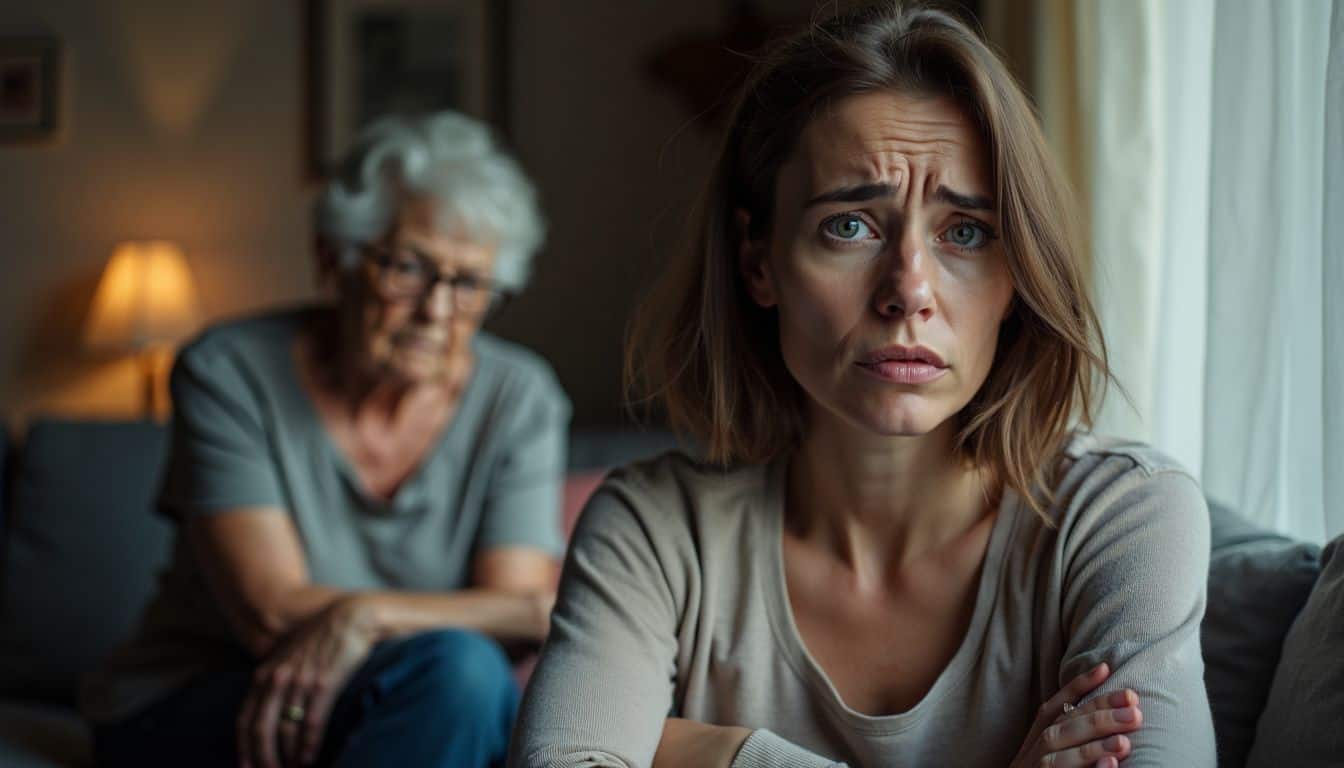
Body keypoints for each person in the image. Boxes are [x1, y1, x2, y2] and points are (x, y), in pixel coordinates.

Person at [509, 3, 1213, 767]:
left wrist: (706, 753)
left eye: (966, 233)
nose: (908, 290)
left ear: (1018, 276)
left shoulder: (1124, 515)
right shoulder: (653, 528)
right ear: (759, 263)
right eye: (850, 226)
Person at [80, 111, 569, 768]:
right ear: (332, 259)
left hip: (419, 699)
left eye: (468, 282)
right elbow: (270, 613)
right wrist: (400, 619)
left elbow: (524, 613)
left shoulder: (520, 399)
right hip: (207, 696)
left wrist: (366, 617)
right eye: (407, 268)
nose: (436, 310)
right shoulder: (228, 371)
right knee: (462, 680)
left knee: (466, 679)